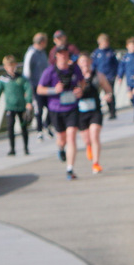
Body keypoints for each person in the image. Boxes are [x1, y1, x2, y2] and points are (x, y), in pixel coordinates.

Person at [36, 47, 84, 180]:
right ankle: (61, 149)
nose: (63, 56)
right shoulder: (50, 71)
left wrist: (80, 90)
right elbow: (39, 89)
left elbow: (82, 83)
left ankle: (70, 169)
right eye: (60, 54)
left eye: (65, 54)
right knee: (62, 138)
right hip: (56, 109)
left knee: (71, 136)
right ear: (56, 56)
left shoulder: (75, 69)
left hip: (72, 108)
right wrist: (54, 90)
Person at [0, 55, 31, 157]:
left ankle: (26, 147)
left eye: (12, 66)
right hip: (10, 107)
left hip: (21, 106)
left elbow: (28, 89)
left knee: (23, 127)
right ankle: (12, 148)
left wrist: (29, 102)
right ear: (5, 67)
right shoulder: (3, 79)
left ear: (15, 65)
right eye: (8, 66)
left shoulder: (21, 78)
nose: (10, 68)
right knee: (10, 127)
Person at [75, 53, 107, 174]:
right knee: (87, 138)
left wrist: (108, 95)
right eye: (82, 61)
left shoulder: (98, 76)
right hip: (81, 111)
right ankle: (88, 146)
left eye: (86, 61)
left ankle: (96, 163)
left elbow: (108, 89)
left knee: (95, 135)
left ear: (90, 62)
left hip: (95, 110)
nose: (84, 64)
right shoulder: (75, 78)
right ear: (78, 64)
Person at [24, 33, 51, 140]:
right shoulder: (31, 53)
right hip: (35, 86)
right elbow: (26, 72)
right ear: (42, 42)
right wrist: (28, 89)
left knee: (51, 106)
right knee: (38, 108)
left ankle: (46, 125)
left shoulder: (42, 53)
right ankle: (39, 130)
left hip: (45, 85)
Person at [90, 34, 120, 120]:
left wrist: (117, 74)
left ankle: (112, 112)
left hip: (110, 76)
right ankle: (98, 111)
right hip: (100, 77)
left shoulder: (111, 52)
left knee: (110, 94)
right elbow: (93, 65)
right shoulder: (96, 53)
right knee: (97, 94)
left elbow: (116, 64)